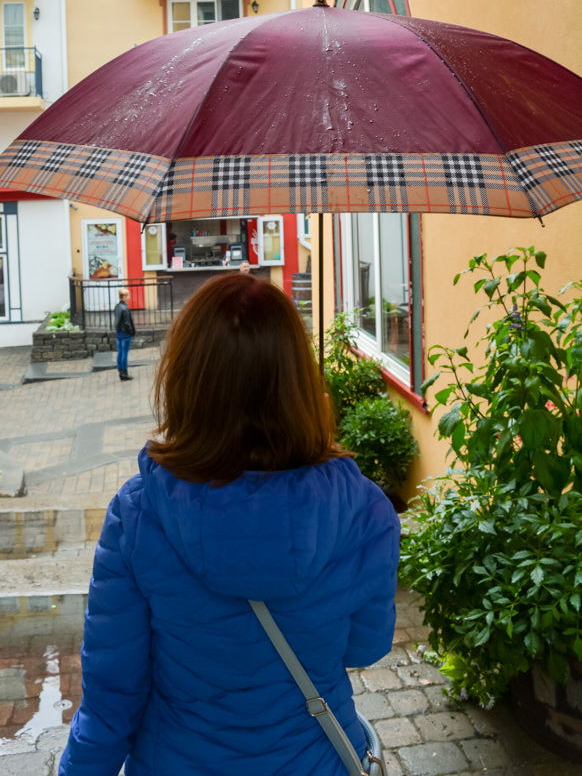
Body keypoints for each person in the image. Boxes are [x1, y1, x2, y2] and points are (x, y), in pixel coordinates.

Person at [59, 273, 400, 776]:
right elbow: (364, 648)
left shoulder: (138, 514)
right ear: (298, 381)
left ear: (186, 379)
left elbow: (112, 699)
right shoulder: (366, 510)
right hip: (315, 760)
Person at [113, 287, 135, 381]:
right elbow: (127, 323)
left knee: (120, 353)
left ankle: (121, 372)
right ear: (124, 297)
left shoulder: (117, 307)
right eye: (128, 295)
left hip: (119, 333)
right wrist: (132, 332)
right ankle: (125, 373)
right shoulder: (125, 308)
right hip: (125, 333)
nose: (129, 297)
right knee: (124, 354)